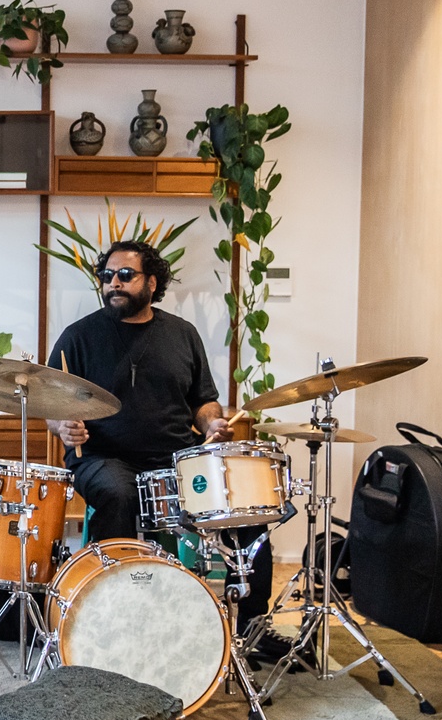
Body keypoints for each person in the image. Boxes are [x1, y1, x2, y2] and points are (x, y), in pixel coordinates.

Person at [46, 239, 280, 648]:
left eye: (125, 275)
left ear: (152, 282)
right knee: (119, 494)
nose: (113, 284)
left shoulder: (182, 334)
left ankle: (253, 626)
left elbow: (203, 401)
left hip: (176, 460)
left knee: (246, 505)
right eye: (106, 276)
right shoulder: (78, 337)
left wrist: (212, 424)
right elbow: (51, 402)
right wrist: (63, 426)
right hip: (103, 457)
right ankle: (110, 613)